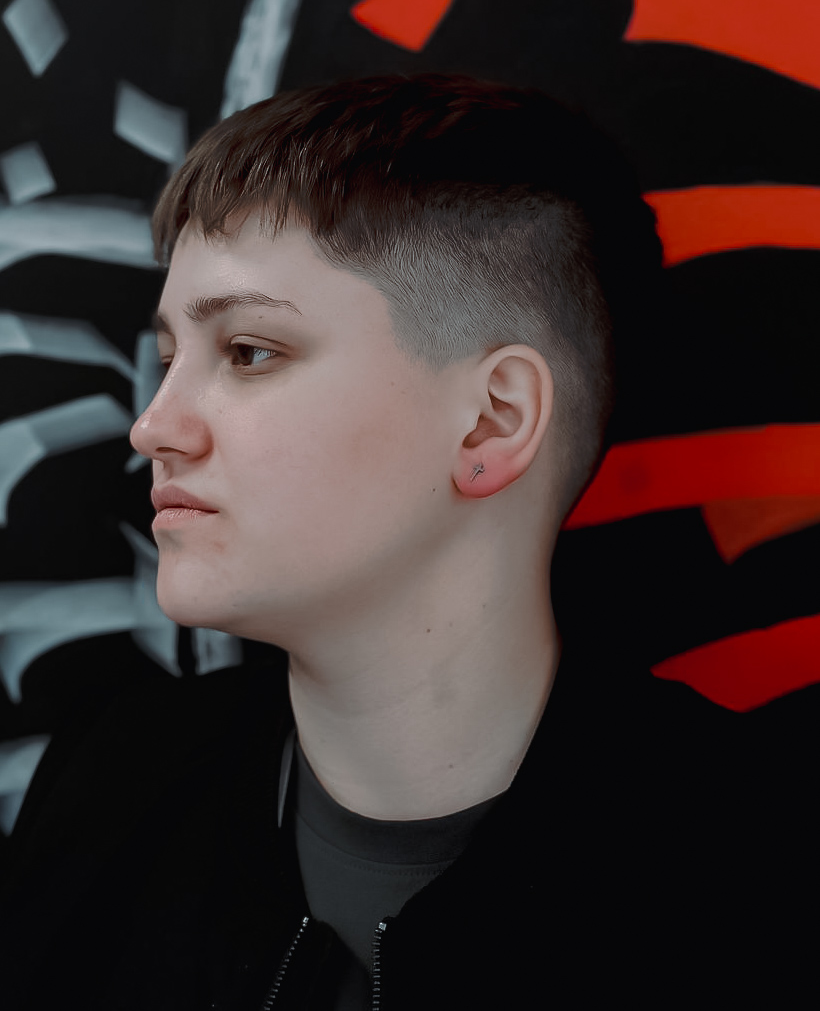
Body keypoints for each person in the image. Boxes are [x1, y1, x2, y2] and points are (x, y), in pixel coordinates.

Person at [0, 74, 802, 1009]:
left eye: (249, 352)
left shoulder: (764, 886)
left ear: (492, 421)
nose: (153, 426)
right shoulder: (110, 790)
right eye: (172, 358)